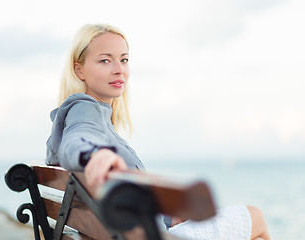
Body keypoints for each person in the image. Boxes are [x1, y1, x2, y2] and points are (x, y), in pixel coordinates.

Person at [46, 23, 270, 240]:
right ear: (79, 70)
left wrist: (166, 217)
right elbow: (76, 139)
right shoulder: (84, 109)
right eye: (105, 60)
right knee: (255, 218)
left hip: (143, 230)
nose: (119, 69)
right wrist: (94, 155)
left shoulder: (94, 115)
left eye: (124, 60)